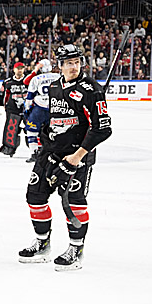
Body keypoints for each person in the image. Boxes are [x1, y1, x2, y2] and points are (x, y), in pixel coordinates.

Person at [18, 44, 112, 271]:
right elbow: (55, 118)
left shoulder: (92, 89)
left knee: (73, 202)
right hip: (51, 152)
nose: (74, 67)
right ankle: (42, 243)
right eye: (69, 63)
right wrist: (45, 136)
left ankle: (76, 249)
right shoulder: (53, 87)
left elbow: (102, 129)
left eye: (77, 62)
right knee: (35, 195)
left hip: (78, 156)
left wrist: (76, 156)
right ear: (60, 65)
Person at [24, 59, 59, 162]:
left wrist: (27, 109)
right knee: (55, 131)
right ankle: (54, 153)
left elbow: (30, 96)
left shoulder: (36, 78)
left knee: (31, 130)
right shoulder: (58, 77)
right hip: (54, 107)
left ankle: (34, 153)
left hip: (39, 108)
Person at [0, 62, 29, 157]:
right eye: (18, 68)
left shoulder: (29, 80)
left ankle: (35, 148)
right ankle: (9, 147)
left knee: (32, 128)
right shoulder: (7, 82)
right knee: (11, 128)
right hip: (13, 108)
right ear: (14, 69)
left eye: (21, 68)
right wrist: (3, 104)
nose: (20, 70)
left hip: (28, 109)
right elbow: (2, 94)